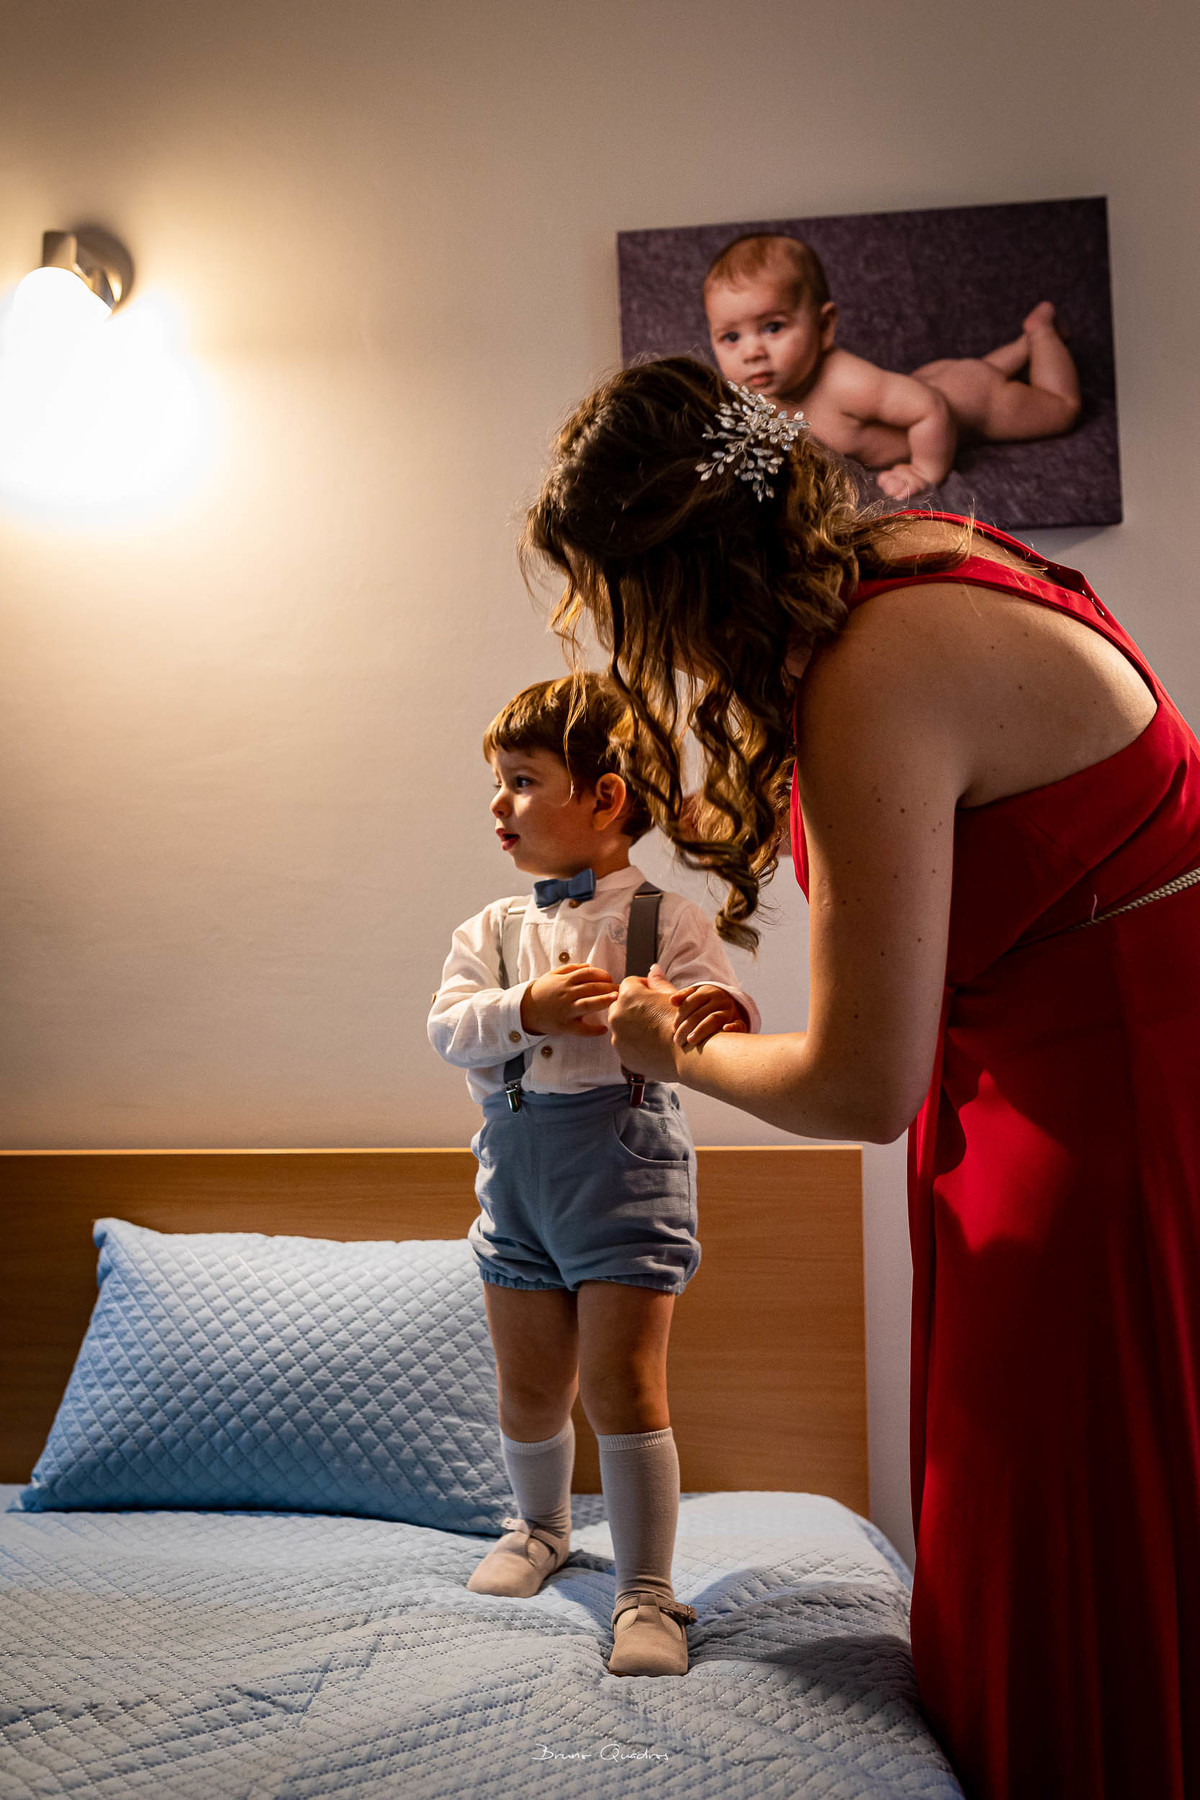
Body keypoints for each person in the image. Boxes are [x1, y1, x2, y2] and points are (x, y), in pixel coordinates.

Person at [522, 357, 1200, 1798]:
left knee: (1075, 1562)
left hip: (1101, 1143)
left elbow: (857, 1089)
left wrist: (666, 1043)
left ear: (674, 579)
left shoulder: (871, 671)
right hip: (1109, 1089)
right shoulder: (931, 553)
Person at [427, 672, 758, 1677]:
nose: (500, 803)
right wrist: (522, 1008)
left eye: (523, 781)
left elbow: (719, 1014)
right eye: (498, 783)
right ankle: (541, 1528)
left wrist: (707, 1015)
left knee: (622, 1385)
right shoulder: (490, 932)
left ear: (604, 797)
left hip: (625, 1174)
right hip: (517, 1181)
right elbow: (449, 1029)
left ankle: (647, 1592)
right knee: (530, 1389)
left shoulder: (668, 919)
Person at [703, 232, 1081, 499]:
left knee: (1060, 409)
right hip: (936, 380)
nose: (751, 352)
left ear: (824, 327)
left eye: (773, 328)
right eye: (731, 337)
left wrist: (924, 470)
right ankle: (1021, 347)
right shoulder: (757, 391)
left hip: (971, 402)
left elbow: (932, 408)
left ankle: (1042, 332)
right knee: (980, 369)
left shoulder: (847, 383)